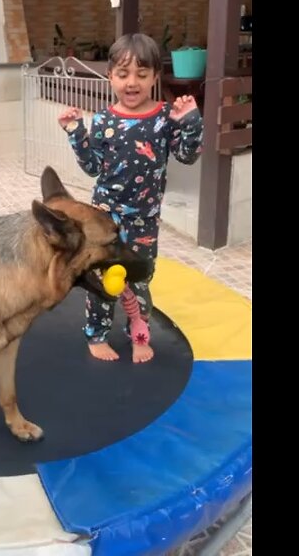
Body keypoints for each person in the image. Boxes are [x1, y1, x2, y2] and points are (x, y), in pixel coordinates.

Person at [57, 33, 204, 363]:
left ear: (155, 76)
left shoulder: (165, 118)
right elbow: (93, 167)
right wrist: (76, 132)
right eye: (123, 74)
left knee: (138, 280)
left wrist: (191, 120)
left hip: (144, 223)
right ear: (110, 76)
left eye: (141, 74)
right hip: (104, 219)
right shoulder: (106, 120)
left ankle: (139, 335)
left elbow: (188, 155)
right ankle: (96, 335)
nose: (132, 82)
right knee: (102, 280)